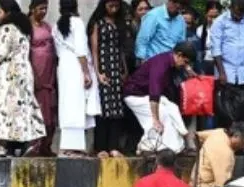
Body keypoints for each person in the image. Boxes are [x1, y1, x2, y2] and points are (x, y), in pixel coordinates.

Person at [0, 0, 45, 156]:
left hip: (9, 73)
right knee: (21, 108)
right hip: (24, 71)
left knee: (4, 109)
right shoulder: (24, 29)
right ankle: (23, 144)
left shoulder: (6, 28)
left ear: (7, 13)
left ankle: (3, 146)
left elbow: (1, 54)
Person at [123, 41, 195, 153]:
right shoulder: (161, 65)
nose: (184, 65)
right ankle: (147, 147)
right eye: (185, 62)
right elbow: (154, 93)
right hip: (134, 95)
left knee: (172, 108)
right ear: (179, 55)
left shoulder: (169, 60)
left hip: (146, 95)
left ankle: (178, 144)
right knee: (162, 115)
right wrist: (155, 119)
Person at [53, 0, 100, 156]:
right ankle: (75, 145)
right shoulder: (77, 23)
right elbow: (81, 51)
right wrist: (86, 72)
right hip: (75, 65)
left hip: (63, 66)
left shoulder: (56, 26)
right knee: (77, 103)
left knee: (67, 104)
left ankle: (67, 144)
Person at [88, 0, 132, 156]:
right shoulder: (97, 23)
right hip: (104, 68)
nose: (113, 9)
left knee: (117, 109)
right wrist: (98, 72)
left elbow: (121, 49)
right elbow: (94, 50)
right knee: (104, 108)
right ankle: (101, 147)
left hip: (117, 69)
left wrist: (124, 69)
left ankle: (114, 146)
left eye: (116, 6)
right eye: (110, 6)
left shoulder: (119, 23)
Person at [210, 0, 244, 125]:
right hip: (226, 72)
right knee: (226, 113)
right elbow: (216, 49)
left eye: (242, 13)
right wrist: (222, 73)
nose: (239, 16)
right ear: (231, 8)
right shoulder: (220, 22)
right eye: (237, 13)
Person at [28, 0, 58, 156]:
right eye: (40, 8)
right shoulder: (27, 27)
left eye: (46, 9)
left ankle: (47, 145)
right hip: (36, 72)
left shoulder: (47, 26)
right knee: (37, 110)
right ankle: (35, 146)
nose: (43, 11)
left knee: (50, 111)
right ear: (32, 9)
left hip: (49, 73)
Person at [193, 121, 244, 187]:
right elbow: (222, 185)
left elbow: (197, 135)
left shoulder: (219, 132)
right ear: (236, 136)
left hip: (195, 182)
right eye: (243, 143)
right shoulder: (225, 153)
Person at [196, 1, 221, 75]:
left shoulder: (224, 30)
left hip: (219, 62)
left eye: (215, 17)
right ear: (206, 15)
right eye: (211, 16)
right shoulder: (200, 30)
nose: (213, 19)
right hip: (205, 61)